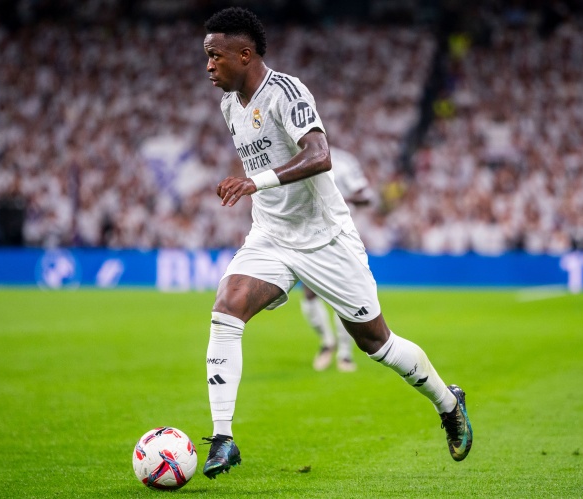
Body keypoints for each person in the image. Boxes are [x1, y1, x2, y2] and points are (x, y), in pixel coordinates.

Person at [201, 7, 473, 479]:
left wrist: (254, 182)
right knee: (227, 307)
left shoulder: (287, 92)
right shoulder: (229, 105)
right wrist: (258, 189)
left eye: (215, 56)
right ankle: (223, 438)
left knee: (376, 343)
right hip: (270, 235)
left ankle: (448, 403)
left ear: (244, 55)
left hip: (325, 238)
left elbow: (320, 155)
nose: (208, 65)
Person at [302, 147, 373, 373]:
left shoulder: (344, 162)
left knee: (344, 294)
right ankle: (327, 343)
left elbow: (366, 197)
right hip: (312, 233)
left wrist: (337, 198)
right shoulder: (298, 158)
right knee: (309, 293)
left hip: (342, 234)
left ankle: (345, 354)